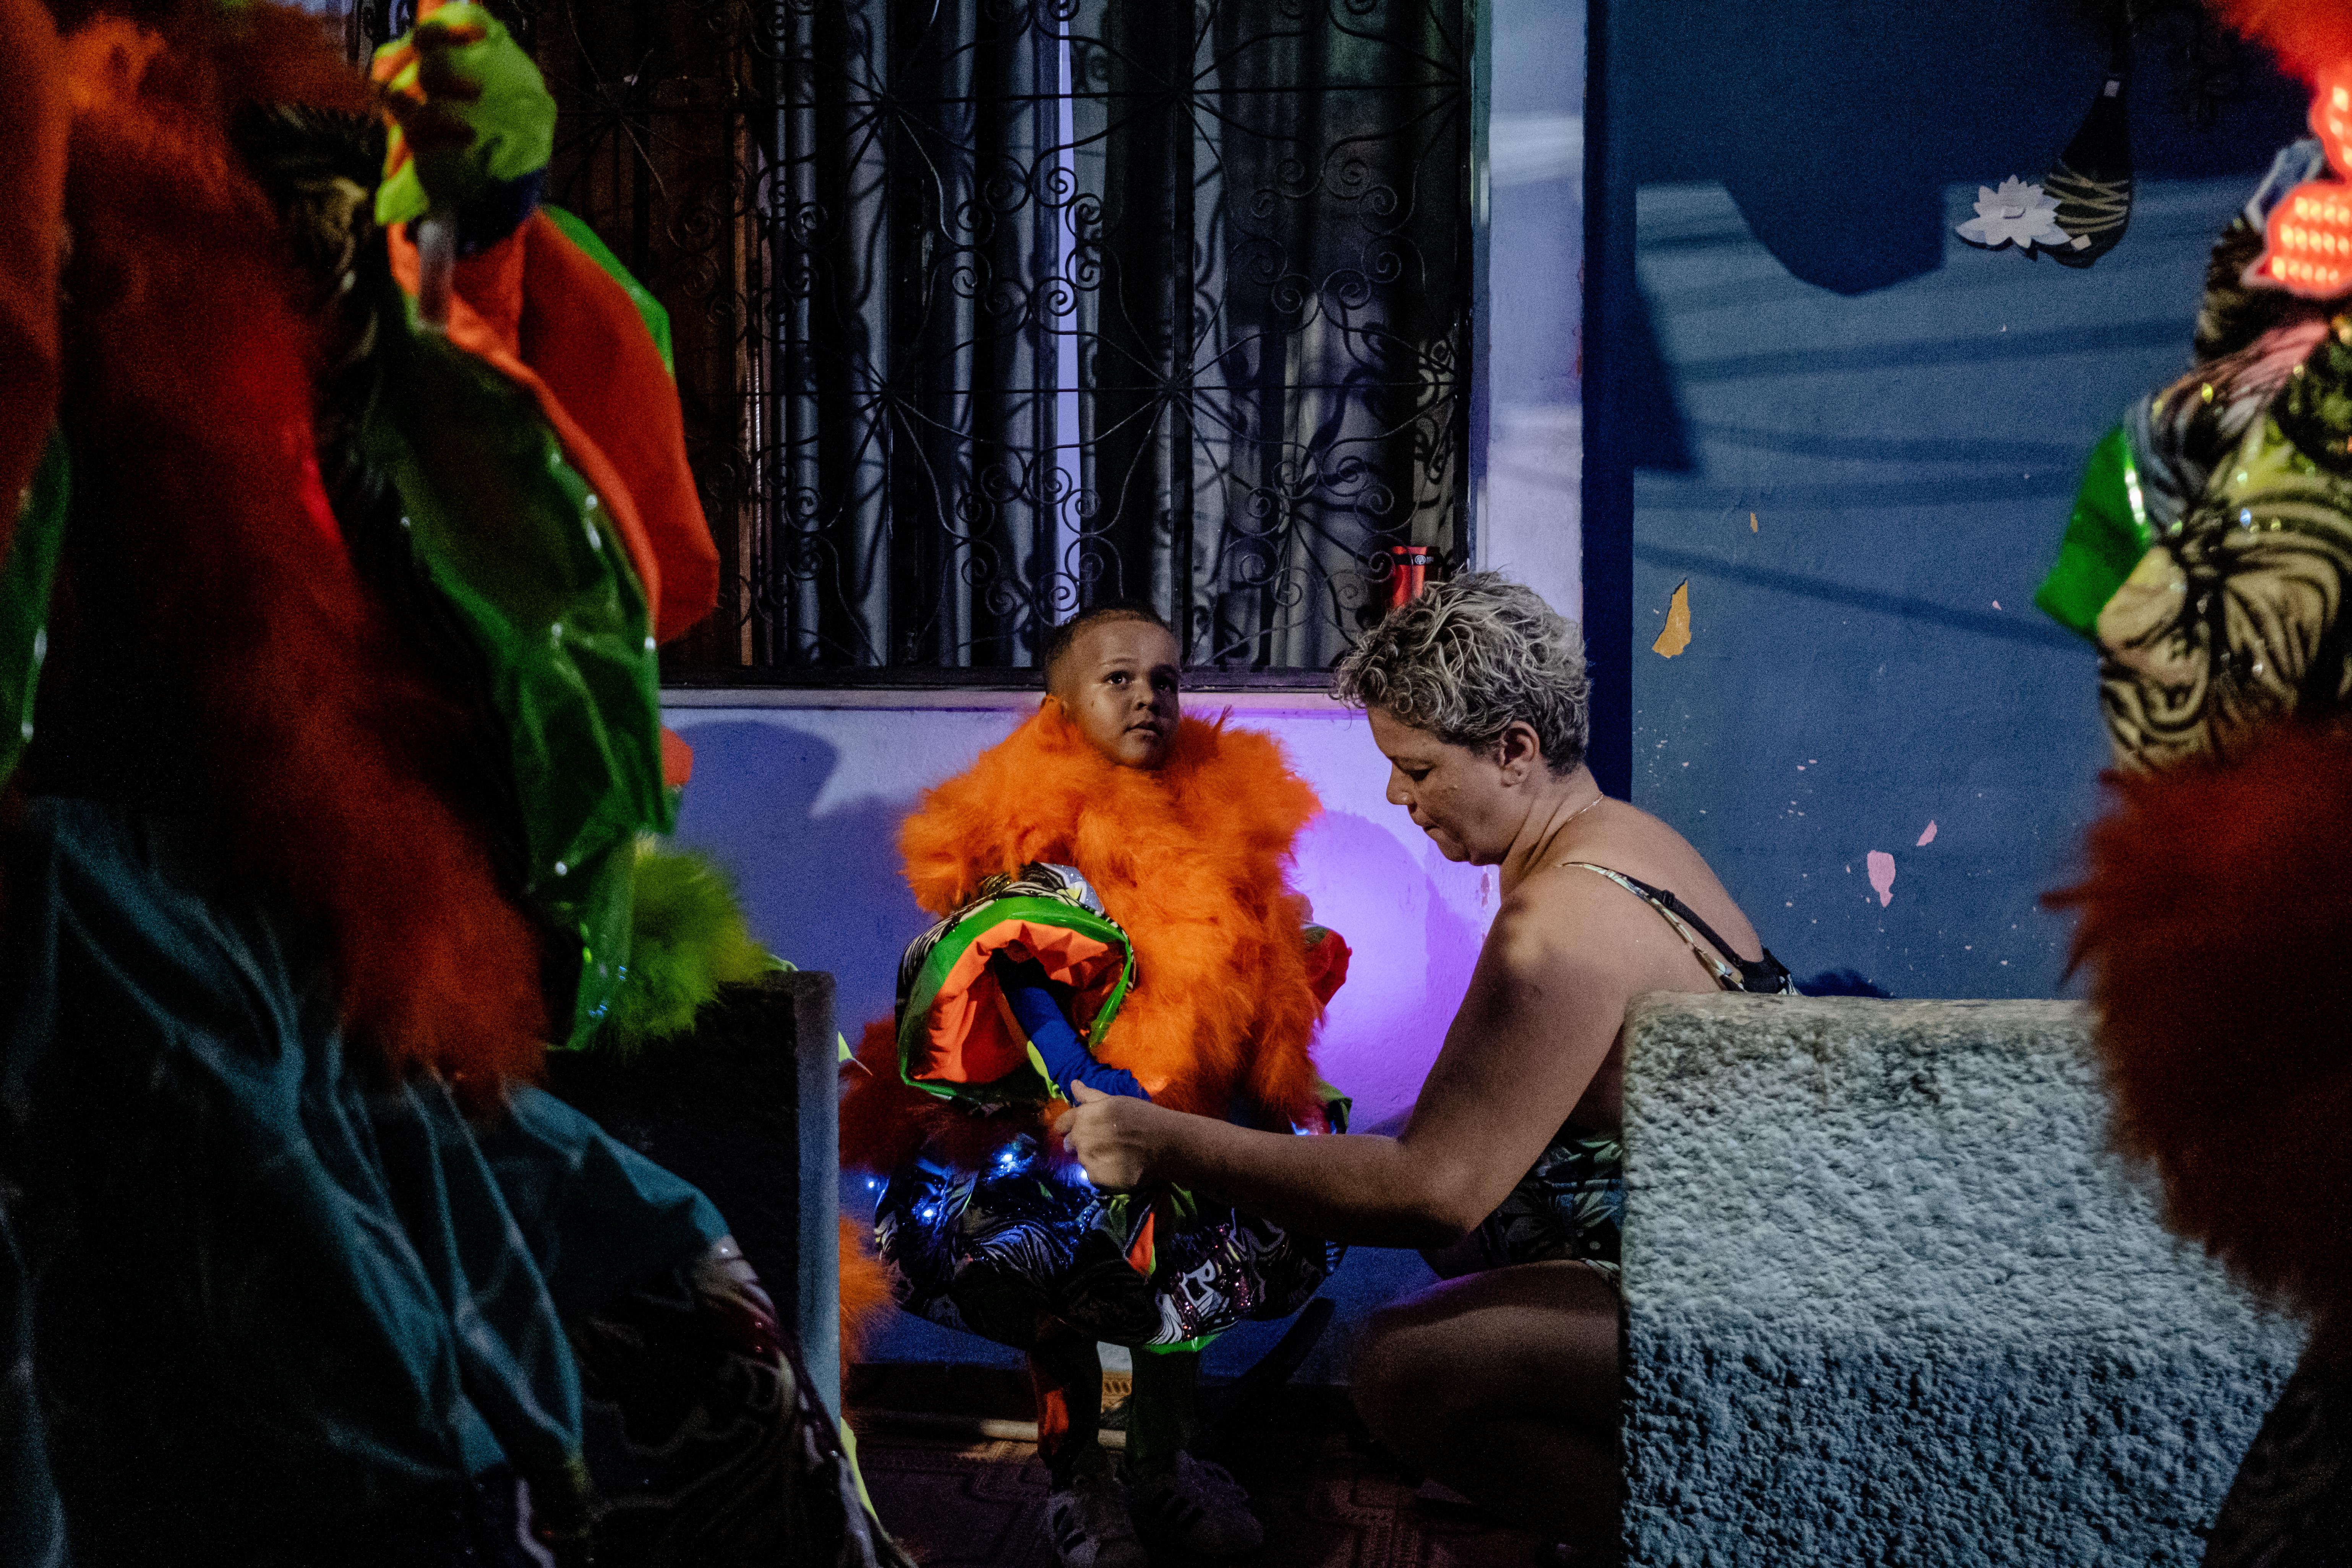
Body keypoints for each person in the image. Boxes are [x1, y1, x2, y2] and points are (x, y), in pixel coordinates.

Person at [1056, 572, 1790, 1558]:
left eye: (1418, 769)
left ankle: (1722, 1540)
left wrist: (1164, 1142)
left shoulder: (1565, 918)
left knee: (1401, 1367)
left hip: (1742, 1296)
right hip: (1738, 1250)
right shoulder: (1627, 841)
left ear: (1515, 751)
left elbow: (1432, 1191)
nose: (1398, 796)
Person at [838, 604, 1352, 1568]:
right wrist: (1080, 1083)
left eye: (1165, 679)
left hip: (1196, 1116)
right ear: (1061, 706)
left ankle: (1158, 1466)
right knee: (1075, 1307)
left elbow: (1254, 953)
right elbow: (1014, 963)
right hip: (1068, 1127)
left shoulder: (1222, 804)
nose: (1148, 697)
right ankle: (1082, 1483)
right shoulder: (1027, 822)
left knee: (1180, 1303)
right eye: (1119, 678)